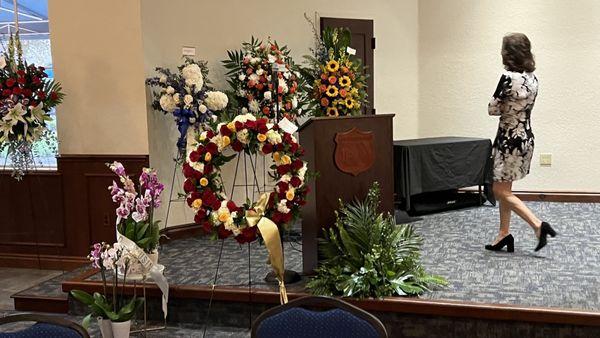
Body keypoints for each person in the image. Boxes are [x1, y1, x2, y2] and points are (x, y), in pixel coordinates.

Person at [485, 33, 556, 253]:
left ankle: (537, 225)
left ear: (508, 54)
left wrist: (505, 107)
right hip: (525, 138)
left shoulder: (507, 78)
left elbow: (492, 109)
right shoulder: (533, 78)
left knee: (499, 190)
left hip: (508, 140)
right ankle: (503, 234)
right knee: (506, 188)